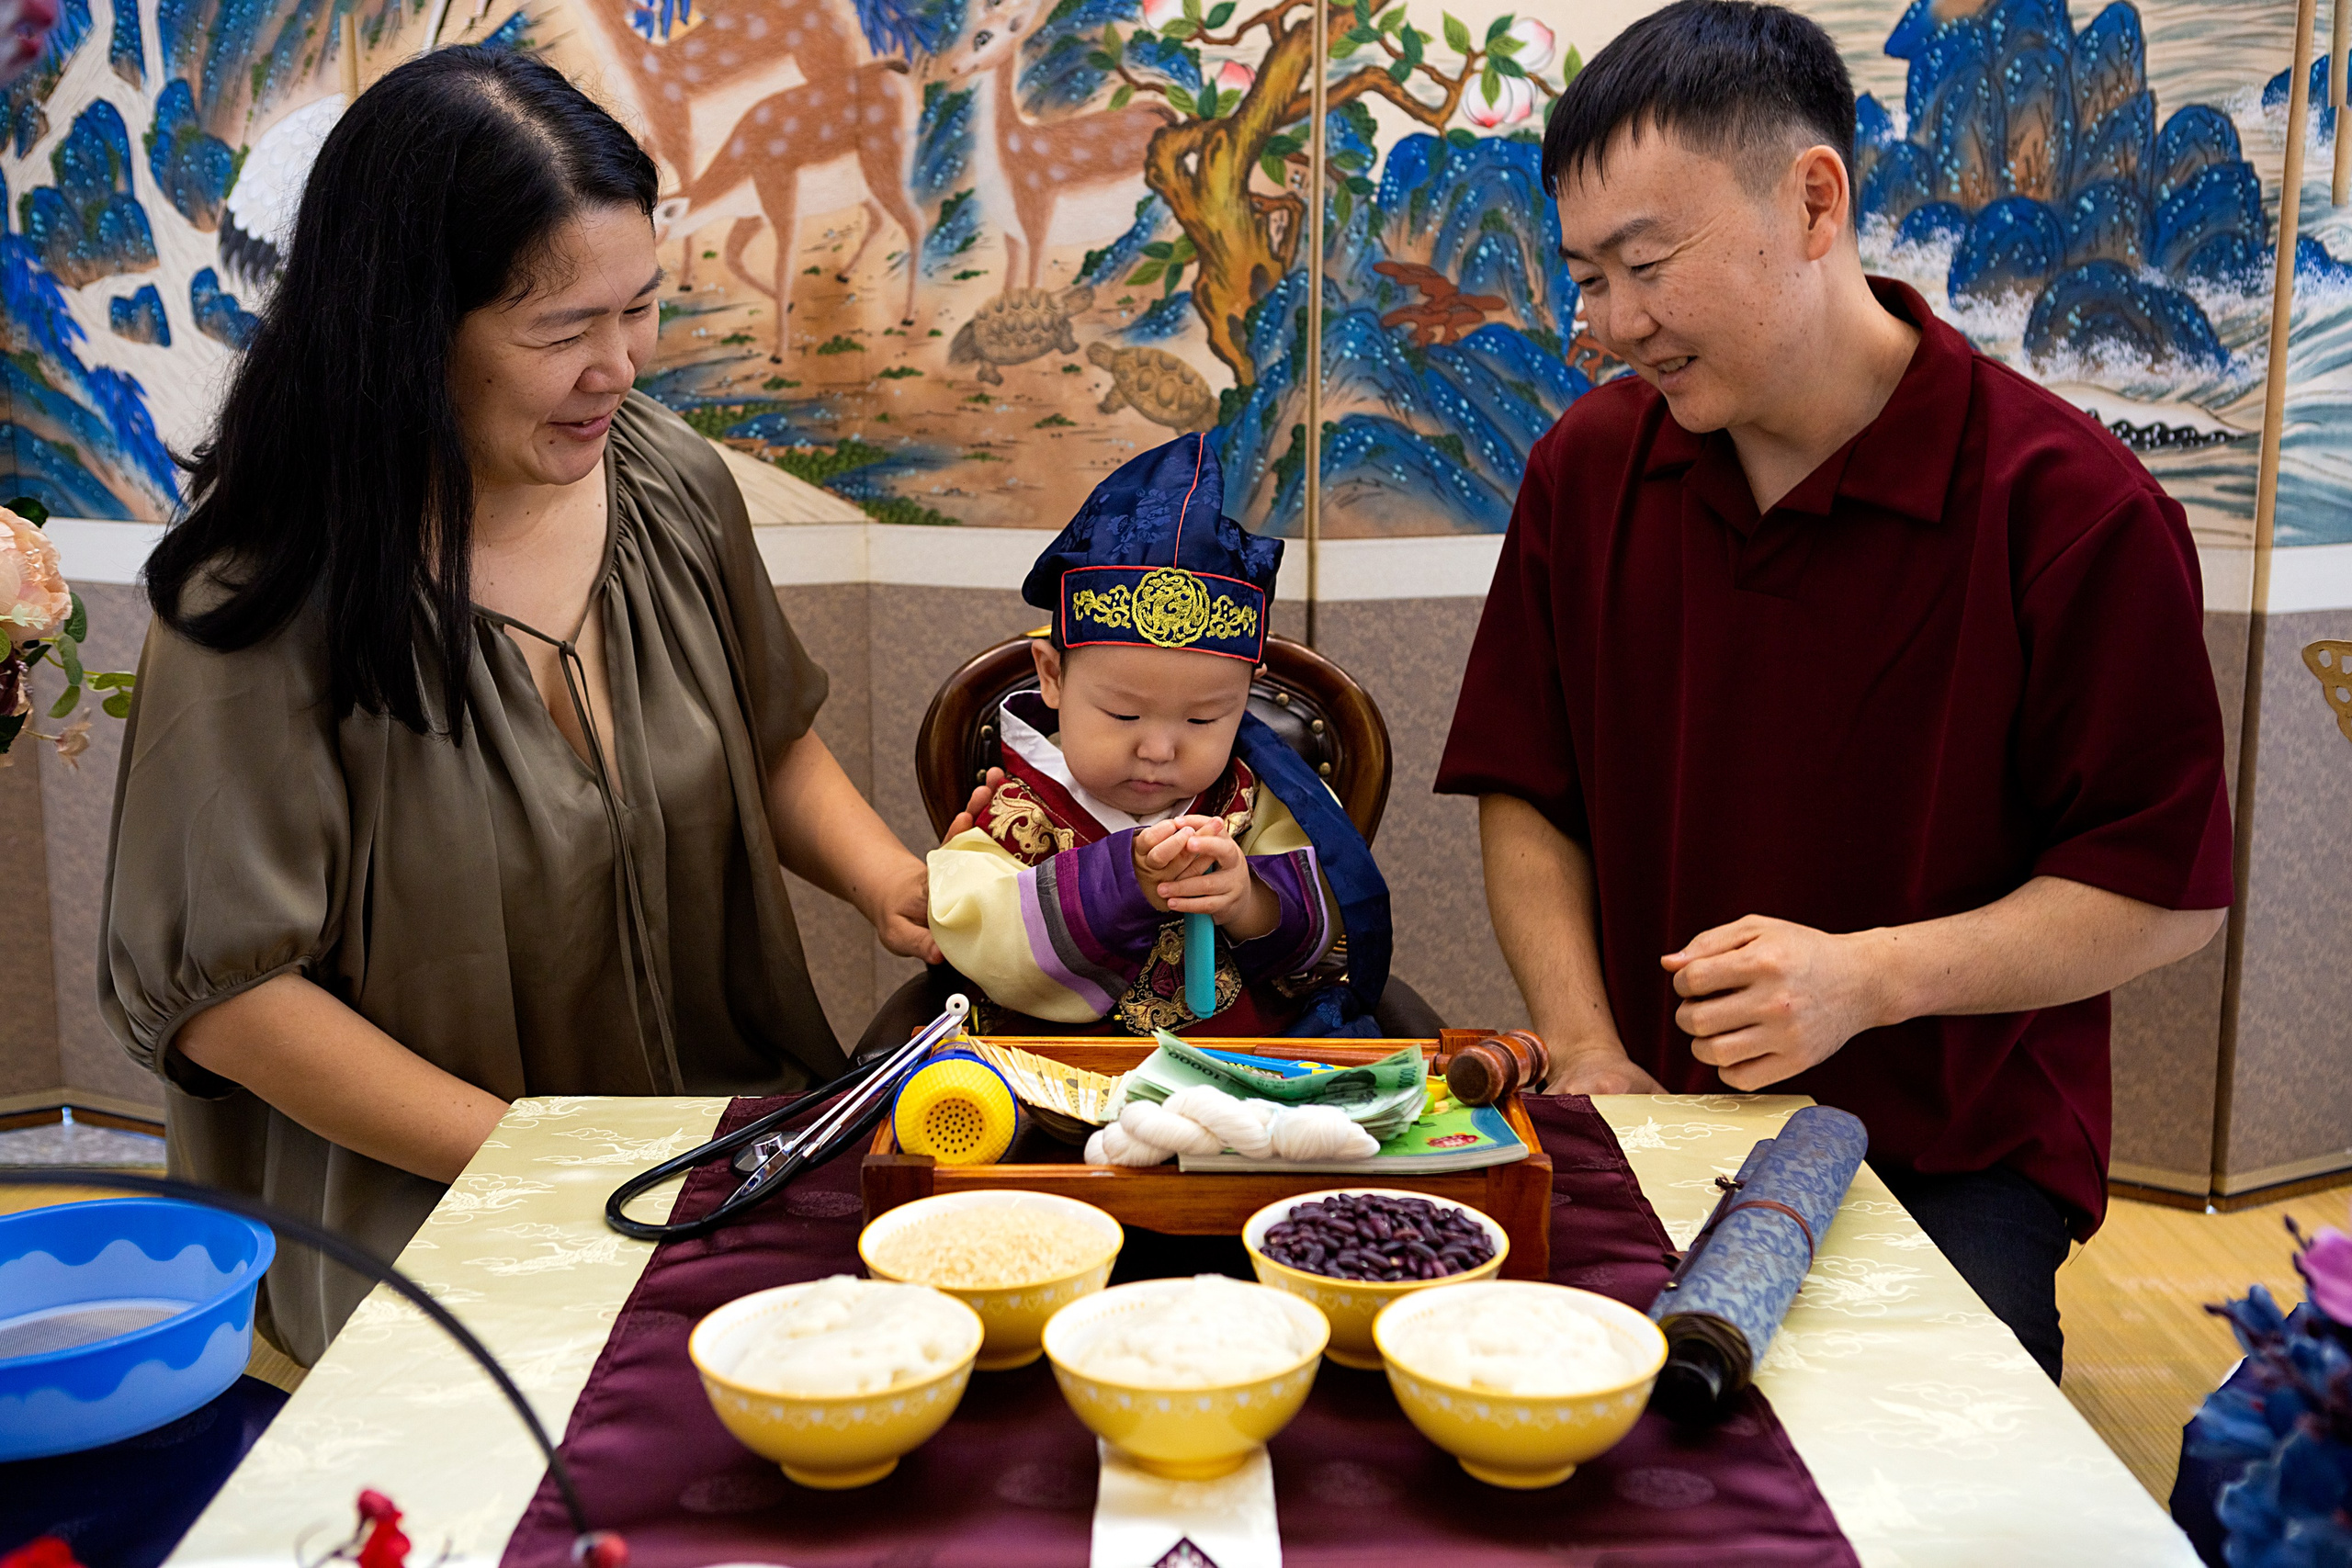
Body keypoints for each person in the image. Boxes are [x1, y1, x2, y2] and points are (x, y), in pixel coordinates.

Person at [100, 48, 944, 1364]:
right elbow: (234, 1001)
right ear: (406, 327)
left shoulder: (667, 479)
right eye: (562, 331)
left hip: (724, 1149)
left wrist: (895, 883)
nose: (620, 367)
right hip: (434, 1216)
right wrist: (542, 1154)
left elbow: (761, 735)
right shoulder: (257, 597)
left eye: (641, 309)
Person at [1434, 0, 2233, 1382]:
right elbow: (1528, 784)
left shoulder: (2069, 511)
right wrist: (1581, 1043)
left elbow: (2161, 893)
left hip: (1949, 1150)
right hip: (1648, 1112)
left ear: (1815, 203)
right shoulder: (1588, 468)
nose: (1613, 324)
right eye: (1587, 277)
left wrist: (1868, 977)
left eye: (1646, 264)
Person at [925, 434, 1399, 1038]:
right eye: (1124, 715)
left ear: (1245, 694)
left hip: (1234, 1076)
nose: (1158, 749)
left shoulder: (1256, 798)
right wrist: (1123, 880)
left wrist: (1246, 899)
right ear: (1051, 674)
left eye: (1202, 720)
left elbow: (1324, 920)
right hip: (1060, 1079)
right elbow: (974, 928)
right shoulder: (1016, 808)